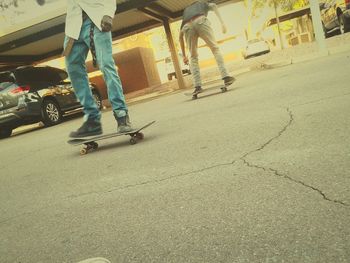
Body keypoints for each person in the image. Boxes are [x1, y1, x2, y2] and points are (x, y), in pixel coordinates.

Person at [63, 0, 132, 138]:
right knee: (73, 69)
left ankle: (121, 115)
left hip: (96, 20)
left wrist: (108, 14)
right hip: (73, 27)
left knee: (106, 64)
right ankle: (92, 120)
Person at [179, 0, 235, 95]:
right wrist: (222, 23)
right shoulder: (202, 3)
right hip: (200, 20)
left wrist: (184, 56)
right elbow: (213, 5)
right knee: (215, 49)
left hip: (187, 26)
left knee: (193, 57)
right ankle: (226, 77)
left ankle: (197, 86)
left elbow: (180, 36)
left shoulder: (186, 11)